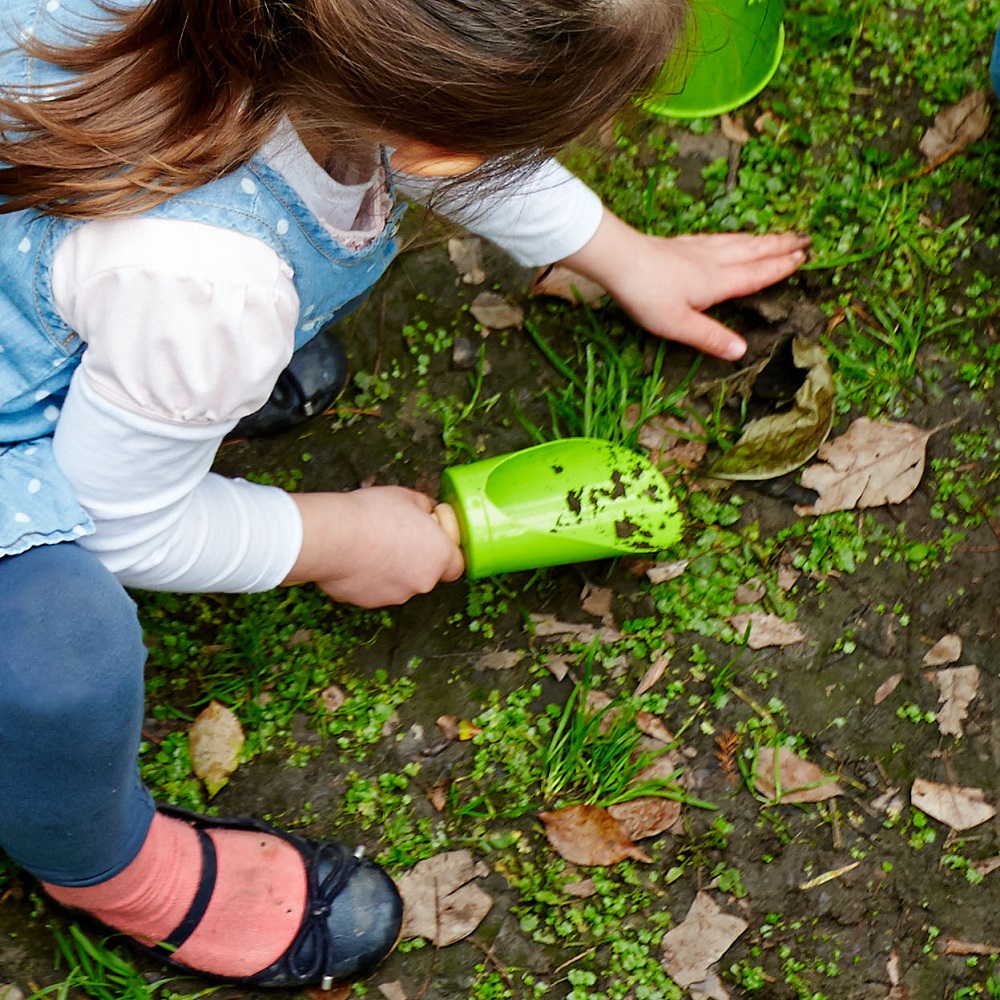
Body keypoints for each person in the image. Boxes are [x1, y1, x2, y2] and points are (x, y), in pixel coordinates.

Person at [0, 0, 810, 989]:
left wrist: (621, 254)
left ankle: (143, 374)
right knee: (58, 657)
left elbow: (440, 115)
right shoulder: (209, 281)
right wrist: (337, 535)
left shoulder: (293, 35)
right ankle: (102, 861)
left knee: (189, 333)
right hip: (93, 370)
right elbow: (123, 522)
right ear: (438, 141)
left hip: (86, 251)